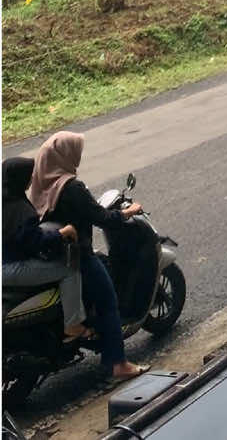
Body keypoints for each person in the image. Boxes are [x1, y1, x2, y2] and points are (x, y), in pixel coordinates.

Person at [29, 132, 149, 382]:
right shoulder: (71, 187)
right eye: (76, 150)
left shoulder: (42, 182)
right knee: (108, 300)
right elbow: (102, 218)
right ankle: (118, 363)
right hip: (77, 255)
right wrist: (128, 212)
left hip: (50, 253)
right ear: (66, 155)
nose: (79, 155)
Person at [2, 156, 90, 341]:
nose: (32, 179)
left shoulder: (5, 199)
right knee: (69, 271)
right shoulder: (19, 209)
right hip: (12, 267)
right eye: (29, 176)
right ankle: (73, 324)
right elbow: (34, 242)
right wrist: (61, 234)